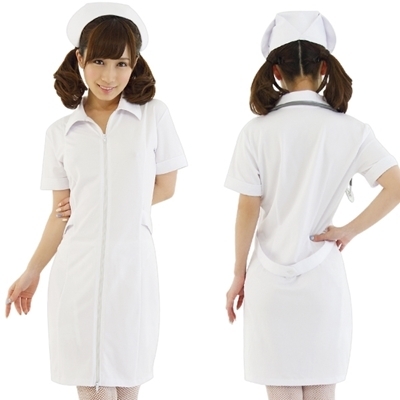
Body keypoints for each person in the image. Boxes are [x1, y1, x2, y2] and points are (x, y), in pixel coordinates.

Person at [5, 3, 187, 400]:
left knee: (127, 384)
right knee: (94, 387)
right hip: (78, 275)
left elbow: (165, 186)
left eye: (122, 64)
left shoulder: (153, 116)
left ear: (135, 64)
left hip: (132, 272)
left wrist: (111, 203)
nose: (109, 76)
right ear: (80, 58)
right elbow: (60, 213)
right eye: (99, 61)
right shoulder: (60, 132)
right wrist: (32, 270)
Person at [225, 11, 400, 400]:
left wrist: (238, 274)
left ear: (276, 71)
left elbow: (246, 210)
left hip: (269, 281)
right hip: (322, 280)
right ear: (324, 68)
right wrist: (349, 230)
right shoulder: (352, 130)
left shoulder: (255, 132)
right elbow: (396, 185)